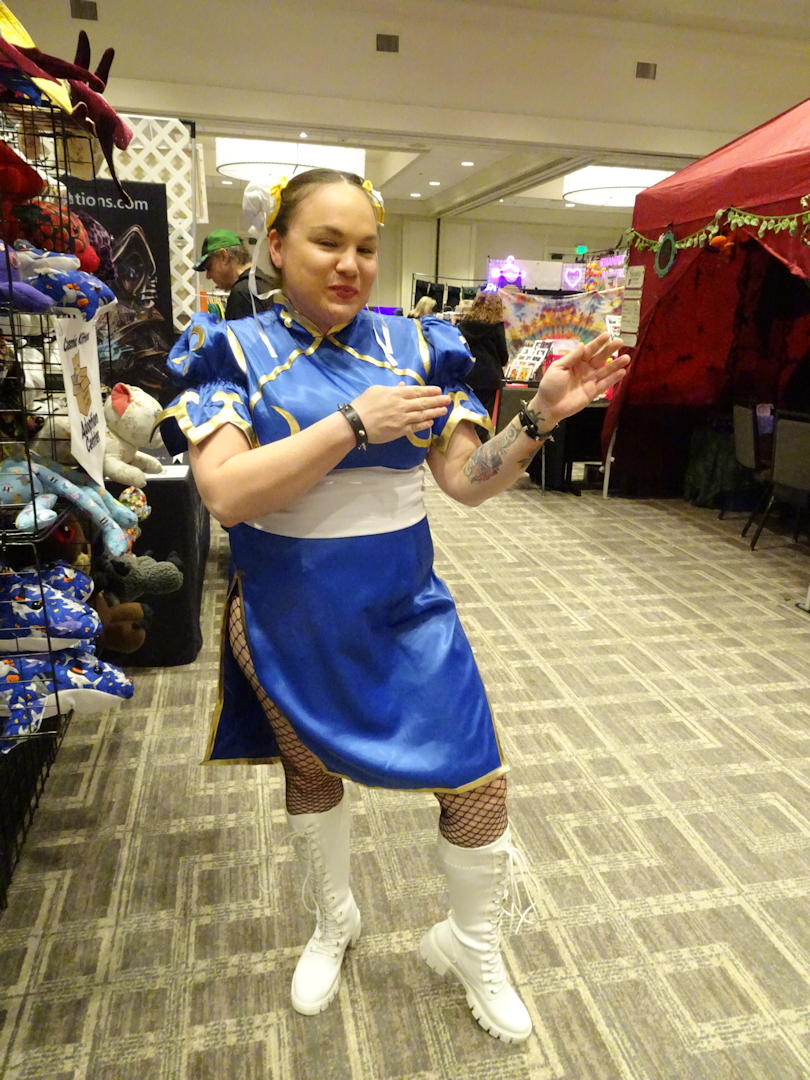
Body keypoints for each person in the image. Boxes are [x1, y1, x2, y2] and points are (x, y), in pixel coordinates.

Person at [158, 169, 628, 1044]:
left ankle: (471, 944)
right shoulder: (230, 349)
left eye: (366, 247)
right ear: (276, 246)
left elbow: (466, 481)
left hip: (410, 612)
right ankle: (333, 921)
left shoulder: (421, 343)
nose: (350, 264)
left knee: (477, 780)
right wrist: (352, 425)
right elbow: (224, 494)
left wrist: (538, 417)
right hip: (288, 616)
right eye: (327, 242)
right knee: (311, 775)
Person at [192, 228, 274, 320]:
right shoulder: (267, 282)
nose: (208, 276)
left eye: (209, 267)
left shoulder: (242, 293)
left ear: (224, 256)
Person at [456, 291, 509, 426]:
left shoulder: (462, 326)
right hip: (489, 378)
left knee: (467, 416)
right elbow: (503, 357)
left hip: (467, 375)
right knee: (484, 419)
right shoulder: (496, 327)